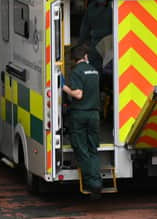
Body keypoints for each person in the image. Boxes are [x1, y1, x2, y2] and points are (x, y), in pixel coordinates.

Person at [62, 44, 103, 197]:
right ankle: (97, 179)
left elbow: (78, 94)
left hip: (79, 115)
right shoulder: (94, 71)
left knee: (82, 150)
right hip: (94, 115)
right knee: (93, 149)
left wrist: (63, 87)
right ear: (85, 56)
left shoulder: (76, 72)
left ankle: (93, 184)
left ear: (74, 60)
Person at [79, 0, 112, 72]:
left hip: (95, 43)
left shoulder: (91, 7)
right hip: (110, 42)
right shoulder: (113, 6)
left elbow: (85, 27)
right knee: (109, 67)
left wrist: (81, 43)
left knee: (96, 67)